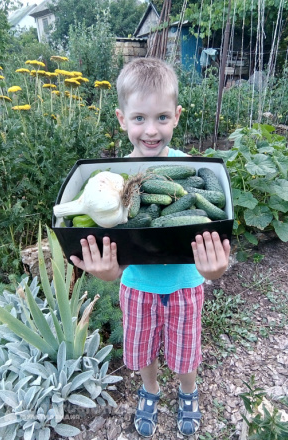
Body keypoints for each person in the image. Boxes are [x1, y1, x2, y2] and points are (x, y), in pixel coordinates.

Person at [70, 57, 231, 437]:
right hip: (138, 287)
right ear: (122, 119)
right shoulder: (114, 184)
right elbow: (121, 243)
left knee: (186, 351)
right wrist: (111, 272)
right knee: (142, 351)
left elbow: (217, 229)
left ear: (176, 116)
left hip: (186, 285)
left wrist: (217, 269)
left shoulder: (191, 169)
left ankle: (188, 393)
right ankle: (150, 389)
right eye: (139, 118)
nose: (151, 130)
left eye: (161, 117)